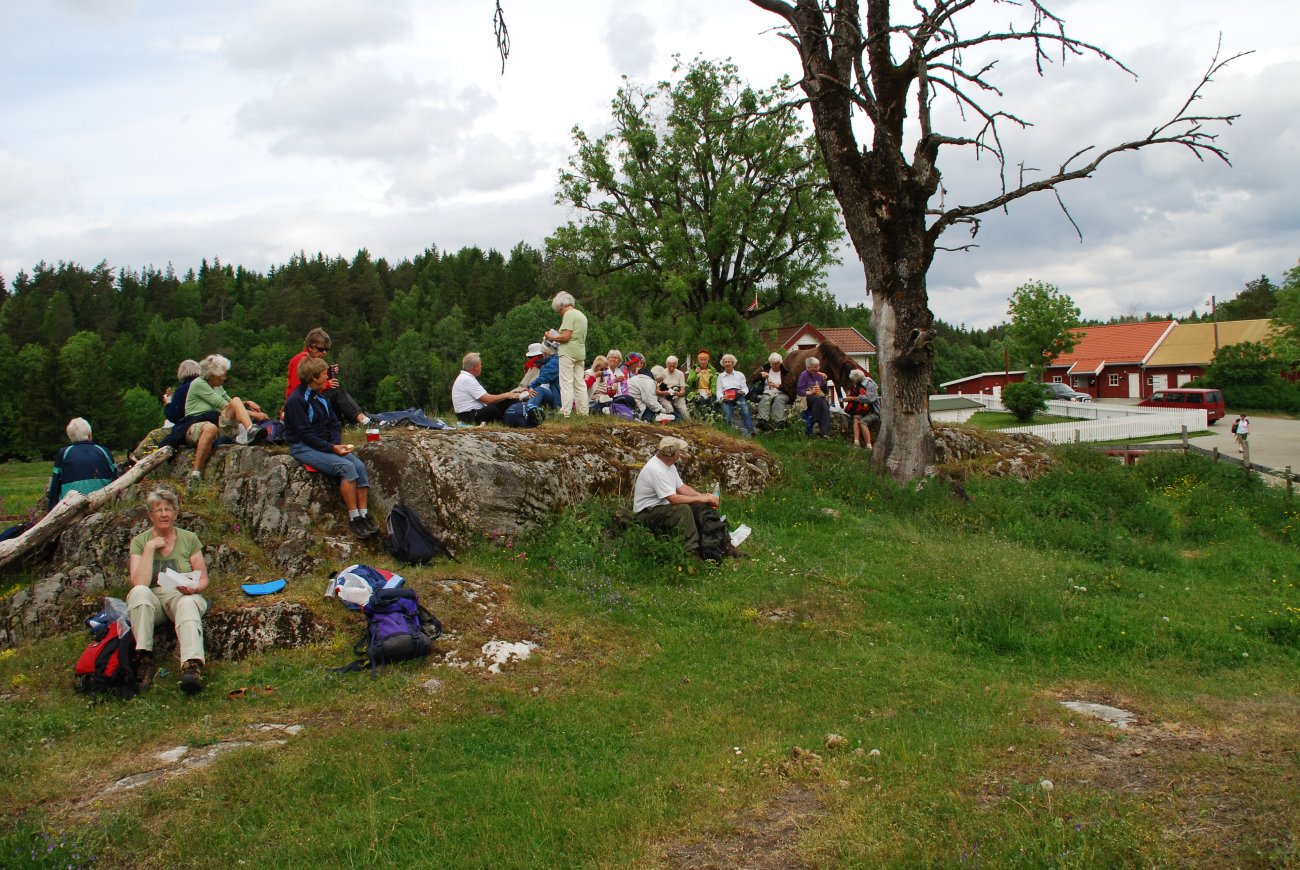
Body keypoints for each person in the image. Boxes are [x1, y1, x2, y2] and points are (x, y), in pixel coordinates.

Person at [285, 357, 379, 539]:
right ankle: (354, 518)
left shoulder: (319, 398)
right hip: (303, 446)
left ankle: (364, 514)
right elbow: (304, 434)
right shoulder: (296, 401)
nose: (327, 377)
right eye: (324, 374)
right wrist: (331, 448)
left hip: (324, 444)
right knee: (348, 468)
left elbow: (334, 424)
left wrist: (335, 444)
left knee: (359, 466)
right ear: (314, 378)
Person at [127, 488, 210, 694]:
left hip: (181, 596)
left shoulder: (189, 538)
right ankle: (144, 658)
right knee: (139, 593)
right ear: (150, 515)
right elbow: (139, 582)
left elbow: (203, 578)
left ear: (175, 513)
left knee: (188, 603)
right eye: (158, 510)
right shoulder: (140, 541)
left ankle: (192, 667)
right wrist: (149, 548)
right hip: (153, 600)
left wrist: (193, 588)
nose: (164, 514)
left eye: (168, 509)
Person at [183, 354, 268, 488]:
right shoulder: (199, 384)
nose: (225, 378)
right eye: (222, 375)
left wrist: (246, 403)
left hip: (216, 421)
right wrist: (256, 415)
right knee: (210, 428)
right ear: (212, 375)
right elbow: (221, 404)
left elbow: (231, 403)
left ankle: (251, 429)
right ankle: (196, 474)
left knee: (235, 400)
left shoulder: (217, 387)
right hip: (197, 423)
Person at [632, 436, 720, 559]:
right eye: (679, 451)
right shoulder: (655, 469)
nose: (680, 454)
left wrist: (703, 496)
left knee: (700, 505)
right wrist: (701, 498)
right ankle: (691, 553)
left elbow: (682, 488)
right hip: (646, 513)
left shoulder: (668, 465)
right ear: (674, 455)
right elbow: (673, 499)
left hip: (660, 508)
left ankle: (717, 544)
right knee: (683, 509)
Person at [286, 328, 369, 426]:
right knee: (336, 392)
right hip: (300, 406)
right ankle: (360, 418)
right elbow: (300, 390)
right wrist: (326, 385)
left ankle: (346, 422)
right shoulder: (300, 360)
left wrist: (329, 374)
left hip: (307, 402)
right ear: (310, 347)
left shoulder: (314, 360)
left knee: (334, 391)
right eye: (321, 349)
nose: (324, 353)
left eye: (327, 349)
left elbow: (314, 382)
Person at [46, 418, 118, 510]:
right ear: (89, 434)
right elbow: (115, 477)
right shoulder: (104, 451)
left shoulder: (64, 453)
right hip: (102, 504)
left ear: (70, 437)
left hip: (70, 507)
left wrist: (51, 510)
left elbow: (55, 484)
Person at [545, 291, 589, 417]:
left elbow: (566, 337)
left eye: (560, 310)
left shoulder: (569, 315)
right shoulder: (582, 316)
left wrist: (551, 337)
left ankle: (565, 412)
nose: (560, 313)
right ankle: (583, 412)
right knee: (579, 383)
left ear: (562, 305)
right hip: (580, 353)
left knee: (566, 383)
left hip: (568, 353)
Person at [452, 352, 526, 424]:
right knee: (492, 410)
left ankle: (511, 419)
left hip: (472, 413)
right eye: (480, 364)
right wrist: (507, 395)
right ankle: (507, 421)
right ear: (475, 366)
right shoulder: (467, 379)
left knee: (509, 401)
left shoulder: (465, 377)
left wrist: (510, 395)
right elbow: (488, 400)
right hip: (469, 415)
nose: (481, 366)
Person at [716, 354, 755, 436]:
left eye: (729, 362)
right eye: (725, 362)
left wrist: (743, 392)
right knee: (727, 412)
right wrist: (722, 397)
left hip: (738, 395)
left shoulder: (740, 374)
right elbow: (718, 391)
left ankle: (750, 432)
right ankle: (729, 433)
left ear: (732, 363)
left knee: (745, 409)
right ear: (723, 364)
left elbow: (745, 388)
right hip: (726, 396)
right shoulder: (720, 376)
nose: (727, 363)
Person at [797, 356, 832, 438]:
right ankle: (816, 423)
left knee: (824, 405)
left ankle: (824, 432)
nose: (817, 369)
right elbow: (799, 391)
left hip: (818, 397)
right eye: (815, 367)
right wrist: (811, 392)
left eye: (818, 366)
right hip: (806, 397)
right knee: (818, 400)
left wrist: (824, 381)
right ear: (808, 367)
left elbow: (825, 390)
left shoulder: (819, 375)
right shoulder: (803, 375)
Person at [845, 368, 880, 449]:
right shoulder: (858, 385)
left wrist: (853, 399)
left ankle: (869, 446)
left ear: (857, 378)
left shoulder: (869, 384)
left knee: (862, 422)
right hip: (863, 410)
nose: (852, 382)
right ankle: (856, 443)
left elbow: (870, 399)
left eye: (853, 380)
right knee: (856, 418)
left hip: (873, 411)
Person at [756, 352, 790, 429]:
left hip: (782, 393)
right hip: (768, 392)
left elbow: (789, 387)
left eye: (777, 364)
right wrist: (761, 375)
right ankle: (763, 420)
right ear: (770, 363)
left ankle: (780, 421)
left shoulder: (785, 372)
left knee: (778, 399)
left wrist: (777, 386)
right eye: (772, 364)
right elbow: (754, 380)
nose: (774, 366)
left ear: (780, 363)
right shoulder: (766, 369)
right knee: (765, 398)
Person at [625, 353, 661, 422]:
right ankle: (646, 419)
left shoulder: (644, 374)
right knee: (650, 406)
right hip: (632, 398)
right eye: (638, 363)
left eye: (641, 363)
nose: (639, 365)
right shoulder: (628, 372)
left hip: (639, 398)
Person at [686, 350, 718, 416]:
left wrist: (711, 391)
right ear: (698, 360)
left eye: (705, 360)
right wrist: (695, 373)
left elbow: (714, 384)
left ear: (707, 360)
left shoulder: (712, 370)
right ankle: (704, 419)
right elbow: (689, 383)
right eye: (701, 360)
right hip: (696, 392)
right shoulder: (694, 369)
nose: (703, 362)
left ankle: (713, 418)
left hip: (708, 392)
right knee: (700, 400)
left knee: (713, 401)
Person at [658, 355, 689, 420]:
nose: (672, 368)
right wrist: (663, 392)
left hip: (676, 395)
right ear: (666, 365)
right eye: (670, 366)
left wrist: (677, 393)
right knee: (669, 409)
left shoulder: (680, 373)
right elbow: (657, 390)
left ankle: (688, 423)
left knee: (684, 412)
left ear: (676, 365)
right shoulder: (662, 372)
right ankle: (674, 423)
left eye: (674, 366)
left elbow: (683, 390)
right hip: (664, 395)